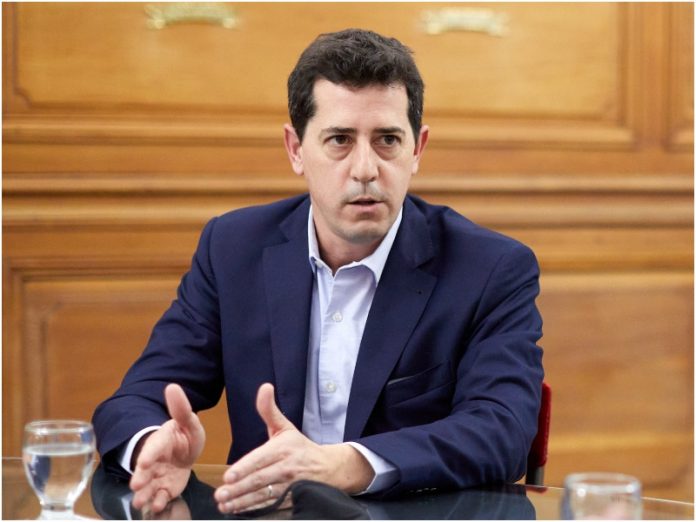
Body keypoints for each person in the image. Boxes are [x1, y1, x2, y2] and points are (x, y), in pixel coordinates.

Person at [93, 28, 544, 516]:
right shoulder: (233, 249)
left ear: (417, 148)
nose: (365, 169)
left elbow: (503, 429)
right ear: (295, 149)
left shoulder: (490, 269)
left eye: (388, 140)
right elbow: (137, 398)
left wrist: (343, 465)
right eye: (340, 140)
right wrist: (151, 445)